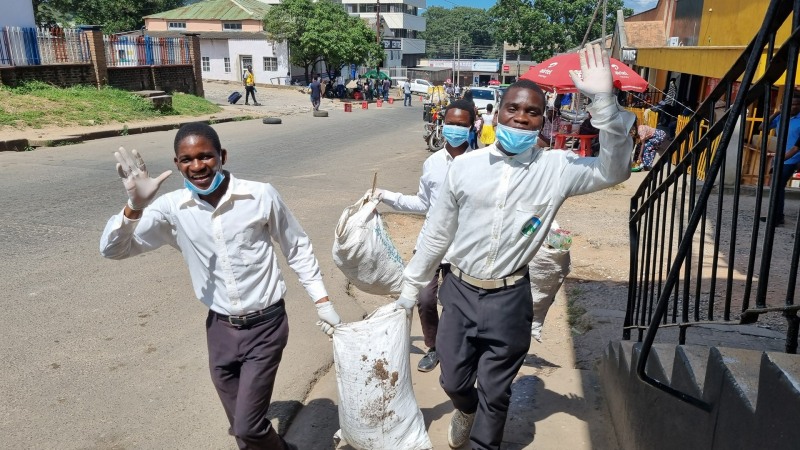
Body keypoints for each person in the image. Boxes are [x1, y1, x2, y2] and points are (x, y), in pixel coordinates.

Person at [393, 43, 634, 450]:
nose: (521, 118)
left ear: (543, 119)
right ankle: (463, 407)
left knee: (496, 392)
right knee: (453, 378)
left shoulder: (557, 169)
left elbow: (615, 171)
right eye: (513, 109)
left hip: (509, 300)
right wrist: (410, 284)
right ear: (496, 113)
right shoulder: (464, 168)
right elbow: (436, 232)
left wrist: (604, 103)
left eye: (532, 112)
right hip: (461, 290)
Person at [99, 122, 341, 450]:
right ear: (176, 164)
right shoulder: (172, 208)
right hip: (220, 330)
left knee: (248, 428)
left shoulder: (259, 195)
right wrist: (135, 207)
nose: (197, 166)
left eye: (205, 156)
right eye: (187, 159)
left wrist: (322, 301)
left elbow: (296, 246)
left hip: (266, 327)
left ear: (222, 156)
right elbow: (114, 249)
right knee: (240, 429)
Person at [369, 99, 476, 372]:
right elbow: (423, 203)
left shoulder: (482, 163)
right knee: (425, 299)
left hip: (463, 248)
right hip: (430, 244)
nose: (454, 129)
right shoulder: (432, 163)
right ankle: (434, 346)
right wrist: (387, 196)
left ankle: (456, 349)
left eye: (461, 125)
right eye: (450, 123)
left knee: (455, 303)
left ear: (472, 126)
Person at [762, 92, 800, 225]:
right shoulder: (781, 117)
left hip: (793, 158)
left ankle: (777, 217)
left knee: (778, 185)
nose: (794, 107)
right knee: (776, 186)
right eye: (791, 104)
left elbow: (797, 147)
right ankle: (776, 215)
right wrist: (778, 112)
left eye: (797, 104)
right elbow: (762, 127)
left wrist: (781, 160)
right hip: (780, 157)